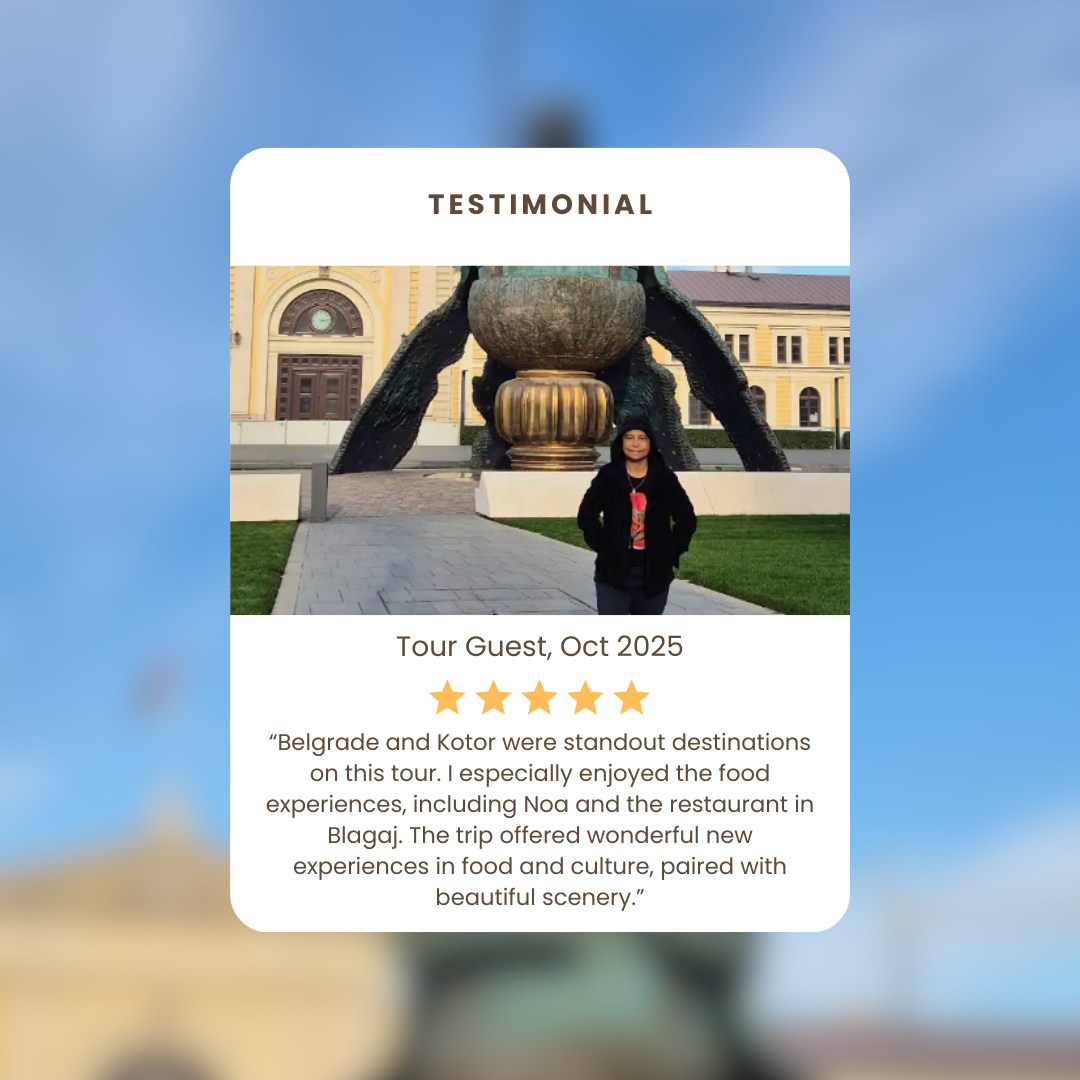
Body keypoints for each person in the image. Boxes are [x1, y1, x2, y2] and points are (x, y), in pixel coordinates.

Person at [577, 414, 697, 615]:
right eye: (629, 437)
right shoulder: (609, 475)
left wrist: (671, 551)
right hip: (613, 573)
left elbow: (687, 519)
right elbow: (586, 516)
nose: (635, 444)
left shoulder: (664, 477)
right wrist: (605, 547)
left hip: (654, 574)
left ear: (650, 443)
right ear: (621, 442)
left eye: (642, 438)